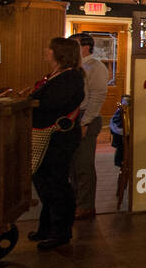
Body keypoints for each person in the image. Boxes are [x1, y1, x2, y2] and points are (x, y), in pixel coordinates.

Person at [30, 38, 85, 250]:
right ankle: (47, 227)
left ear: (58, 53)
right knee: (45, 180)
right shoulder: (57, 75)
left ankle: (61, 231)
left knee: (56, 182)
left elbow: (52, 104)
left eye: (49, 48)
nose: (46, 50)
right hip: (49, 135)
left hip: (59, 137)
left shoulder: (71, 77)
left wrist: (31, 102)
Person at [69, 32, 109, 220]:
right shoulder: (77, 67)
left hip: (87, 118)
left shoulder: (96, 67)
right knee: (73, 165)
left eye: (74, 45)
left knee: (84, 164)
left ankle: (85, 206)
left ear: (85, 47)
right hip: (75, 117)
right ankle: (76, 201)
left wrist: (85, 122)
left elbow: (96, 97)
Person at [108, 96, 129, 168]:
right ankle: (122, 161)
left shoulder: (125, 101)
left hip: (117, 130)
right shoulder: (126, 103)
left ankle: (119, 160)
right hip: (119, 131)